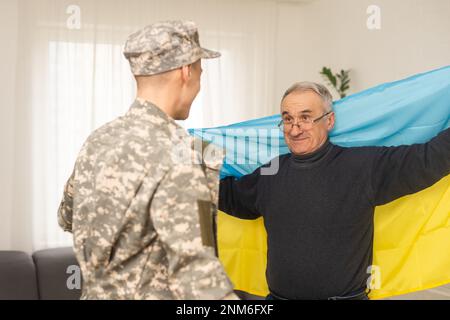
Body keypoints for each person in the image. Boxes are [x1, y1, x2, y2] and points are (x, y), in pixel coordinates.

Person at [219, 82, 450, 300]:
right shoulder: (272, 170)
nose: (295, 128)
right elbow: (232, 197)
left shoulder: (361, 166)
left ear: (329, 120)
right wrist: (188, 166)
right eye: (287, 119)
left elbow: (428, 159)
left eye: (306, 117)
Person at [58, 20, 238, 300]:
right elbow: (199, 279)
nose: (199, 86)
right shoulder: (182, 152)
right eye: (201, 73)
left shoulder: (97, 141)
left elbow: (67, 217)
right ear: (185, 71)